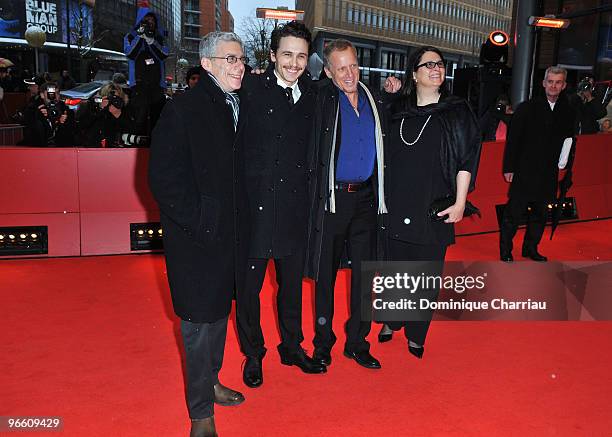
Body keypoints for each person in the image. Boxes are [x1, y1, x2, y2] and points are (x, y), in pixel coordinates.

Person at [148, 31, 249, 437]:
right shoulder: (184, 109)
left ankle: (211, 381)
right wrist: (201, 220)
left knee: (219, 315)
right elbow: (163, 180)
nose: (238, 66)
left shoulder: (236, 104)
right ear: (207, 64)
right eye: (230, 59)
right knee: (197, 324)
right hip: (196, 237)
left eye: (241, 59)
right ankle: (200, 413)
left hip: (229, 234)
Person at [236, 21, 325, 389]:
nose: (293, 62)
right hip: (254, 208)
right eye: (287, 54)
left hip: (293, 210)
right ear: (272, 55)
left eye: (301, 55)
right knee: (249, 289)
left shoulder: (316, 95)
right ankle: (254, 354)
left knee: (291, 288)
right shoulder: (251, 89)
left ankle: (291, 347)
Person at [376, 46, 481, 357]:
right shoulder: (398, 110)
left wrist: (461, 202)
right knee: (394, 269)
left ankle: (416, 332)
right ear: (414, 73)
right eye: (429, 64)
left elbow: (467, 158)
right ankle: (391, 321)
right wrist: (388, 94)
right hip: (397, 201)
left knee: (426, 274)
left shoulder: (456, 111)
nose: (437, 69)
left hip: (434, 204)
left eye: (440, 64)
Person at [306, 39, 388, 370]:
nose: (349, 73)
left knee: (365, 276)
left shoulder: (374, 99)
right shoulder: (321, 100)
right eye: (341, 68)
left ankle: (358, 342)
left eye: (353, 65)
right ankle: (323, 343)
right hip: (333, 199)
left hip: (368, 198)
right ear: (328, 71)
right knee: (325, 276)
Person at [500, 66, 576, 262]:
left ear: (564, 85)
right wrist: (509, 168)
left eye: (558, 82)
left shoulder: (567, 111)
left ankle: (530, 249)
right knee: (513, 214)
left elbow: (569, 139)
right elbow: (513, 140)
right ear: (543, 83)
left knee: (541, 214)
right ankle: (506, 251)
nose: (553, 85)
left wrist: (564, 166)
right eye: (550, 81)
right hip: (524, 170)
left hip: (548, 172)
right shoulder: (527, 108)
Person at [124, 5, 168, 136]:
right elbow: (130, 54)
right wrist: (140, 36)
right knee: (139, 120)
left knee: (158, 121)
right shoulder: (130, 37)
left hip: (157, 87)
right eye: (146, 21)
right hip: (138, 86)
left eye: (152, 22)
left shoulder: (160, 38)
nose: (150, 24)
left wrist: (151, 41)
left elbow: (163, 55)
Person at [80, 82, 136, 147]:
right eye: (110, 98)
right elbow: (82, 126)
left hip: (116, 151)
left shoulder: (125, 110)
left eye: (116, 98)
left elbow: (132, 132)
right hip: (93, 149)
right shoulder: (92, 107)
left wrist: (118, 115)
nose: (113, 101)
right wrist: (99, 109)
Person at [21, 81, 75, 147]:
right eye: (50, 94)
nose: (54, 97)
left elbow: (71, 135)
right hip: (39, 151)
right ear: (42, 95)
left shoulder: (65, 110)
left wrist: (62, 123)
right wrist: (38, 115)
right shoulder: (33, 109)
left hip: (61, 151)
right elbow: (31, 131)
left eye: (57, 93)